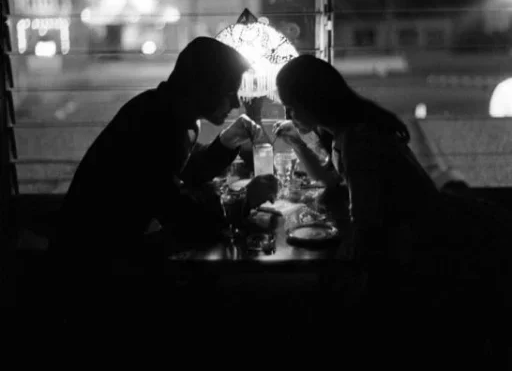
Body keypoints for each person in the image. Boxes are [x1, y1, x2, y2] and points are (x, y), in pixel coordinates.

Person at [273, 54, 512, 365]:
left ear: (311, 101)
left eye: (291, 106)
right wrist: (297, 142)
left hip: (431, 245)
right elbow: (330, 180)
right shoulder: (348, 131)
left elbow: (367, 226)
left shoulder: (359, 141)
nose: (289, 114)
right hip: (429, 231)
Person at [51, 37, 266, 274]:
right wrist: (244, 203)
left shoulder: (168, 110)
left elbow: (187, 171)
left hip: (117, 246)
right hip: (93, 260)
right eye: (230, 93)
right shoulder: (154, 123)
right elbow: (179, 213)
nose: (236, 103)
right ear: (204, 89)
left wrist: (227, 142)